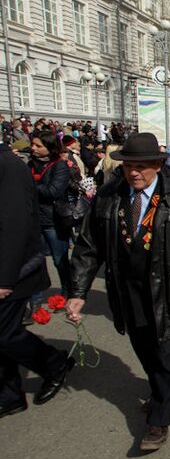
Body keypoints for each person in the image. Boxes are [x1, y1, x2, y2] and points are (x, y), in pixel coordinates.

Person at [65, 132, 170, 451]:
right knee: (144, 348)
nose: (134, 172)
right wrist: (78, 291)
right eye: (129, 165)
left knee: (168, 354)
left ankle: (158, 420)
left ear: (157, 166)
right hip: (126, 289)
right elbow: (88, 247)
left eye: (142, 166)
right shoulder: (108, 197)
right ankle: (165, 387)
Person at [0, 141, 74, 418]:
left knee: (5, 334)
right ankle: (10, 395)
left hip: (13, 270)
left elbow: (14, 226)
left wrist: (5, 279)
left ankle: (53, 362)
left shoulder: (9, 167)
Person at [28, 130, 78, 308]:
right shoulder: (31, 164)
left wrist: (30, 184)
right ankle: (35, 300)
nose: (33, 148)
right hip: (34, 220)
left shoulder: (60, 166)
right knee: (35, 261)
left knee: (59, 259)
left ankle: (68, 291)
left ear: (49, 148)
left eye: (38, 145)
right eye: (33, 144)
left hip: (54, 221)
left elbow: (53, 192)